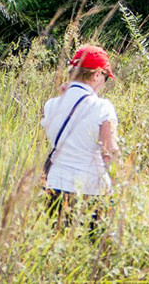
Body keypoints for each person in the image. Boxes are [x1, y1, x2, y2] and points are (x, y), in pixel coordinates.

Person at [42, 44, 120, 231]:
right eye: (105, 77)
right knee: (94, 254)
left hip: (56, 188)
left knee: (57, 250)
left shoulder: (51, 105)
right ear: (96, 75)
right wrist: (119, 186)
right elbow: (108, 152)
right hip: (92, 192)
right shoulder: (102, 108)